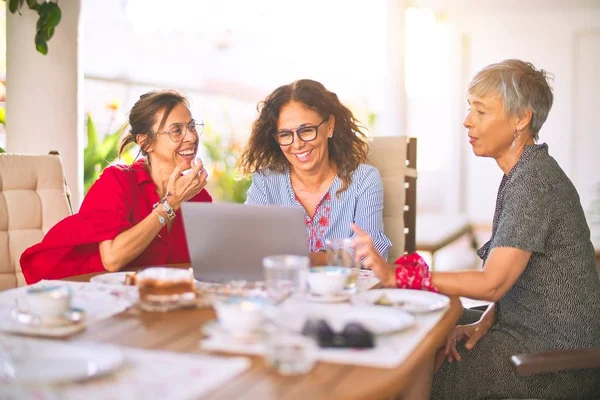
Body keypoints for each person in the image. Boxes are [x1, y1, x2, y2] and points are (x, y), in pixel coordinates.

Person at [352, 60, 600, 399]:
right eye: (471, 109)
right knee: (421, 323)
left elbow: (493, 282)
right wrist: (483, 322)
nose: (468, 120)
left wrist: (400, 274)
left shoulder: (534, 181)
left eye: (481, 111)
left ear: (521, 118)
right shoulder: (525, 172)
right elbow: (517, 281)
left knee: (413, 369)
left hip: (552, 359)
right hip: (525, 330)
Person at [21, 90, 211, 284]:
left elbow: (207, 269)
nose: (192, 137)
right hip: (101, 299)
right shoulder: (117, 182)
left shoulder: (198, 196)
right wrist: (170, 205)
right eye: (177, 130)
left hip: (167, 303)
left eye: (192, 126)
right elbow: (112, 259)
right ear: (145, 142)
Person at [239, 79, 391, 266]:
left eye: (307, 130)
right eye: (285, 135)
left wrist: (311, 259)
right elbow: (248, 243)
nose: (297, 144)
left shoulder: (364, 179)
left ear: (330, 126)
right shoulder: (265, 182)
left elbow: (371, 249)